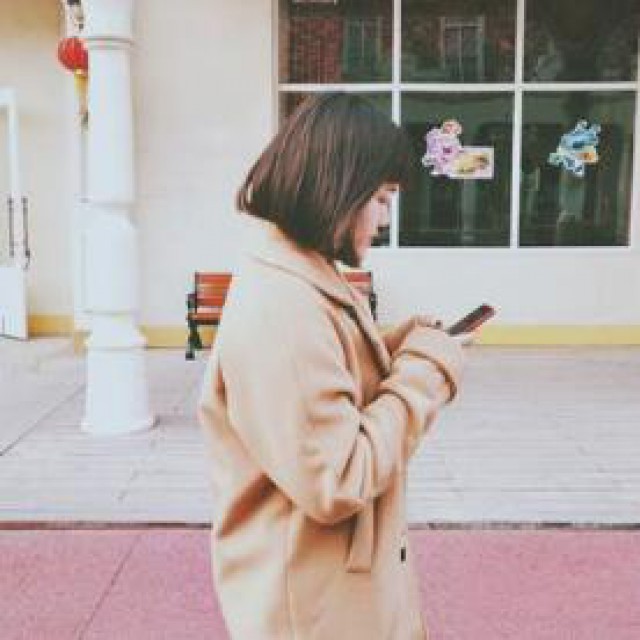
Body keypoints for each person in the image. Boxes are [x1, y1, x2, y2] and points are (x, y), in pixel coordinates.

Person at [198, 92, 467, 639]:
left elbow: (321, 371)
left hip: (326, 586)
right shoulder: (284, 303)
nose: (386, 218)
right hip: (316, 607)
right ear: (341, 186)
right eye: (382, 198)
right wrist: (426, 371)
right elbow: (337, 478)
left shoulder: (300, 270)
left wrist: (394, 344)